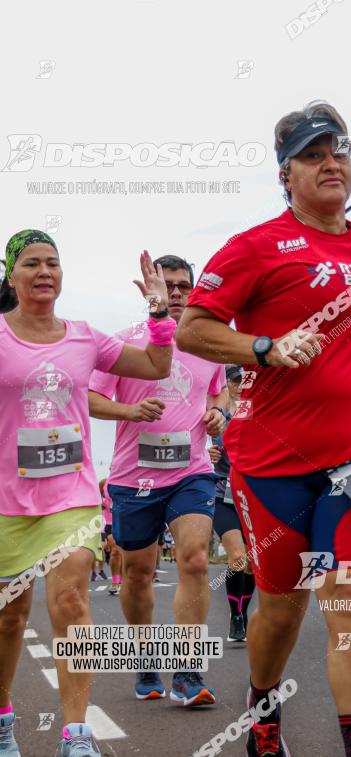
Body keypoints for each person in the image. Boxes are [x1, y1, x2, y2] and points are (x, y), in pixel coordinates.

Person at [176, 100, 351, 757]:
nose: (330, 164)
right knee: (281, 604)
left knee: (348, 606)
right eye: (313, 154)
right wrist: (262, 347)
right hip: (271, 461)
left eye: (339, 152)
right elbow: (196, 328)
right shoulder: (254, 246)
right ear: (285, 173)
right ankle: (262, 706)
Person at [0, 231, 172, 757]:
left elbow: (154, 367)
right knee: (9, 618)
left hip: (72, 495)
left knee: (72, 601)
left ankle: (77, 735)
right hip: (6, 499)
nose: (44, 271)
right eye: (32, 263)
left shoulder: (83, 338)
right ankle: (4, 721)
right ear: (12, 276)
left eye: (53, 262)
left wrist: (159, 314)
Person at [89, 254, 227, 706]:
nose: (176, 293)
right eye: (166, 284)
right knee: (138, 574)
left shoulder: (209, 344)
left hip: (192, 472)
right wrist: (128, 411)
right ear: (150, 289)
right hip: (134, 478)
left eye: (183, 285)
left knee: (194, 561)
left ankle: (188, 672)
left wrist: (218, 412)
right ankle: (146, 656)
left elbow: (219, 389)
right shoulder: (127, 342)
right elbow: (90, 396)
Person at [209, 365, 256, 643]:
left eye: (244, 380)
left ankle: (244, 610)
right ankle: (235, 615)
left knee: (251, 563)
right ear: (226, 384)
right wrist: (206, 452)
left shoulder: (258, 412)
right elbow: (193, 444)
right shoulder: (216, 414)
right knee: (237, 557)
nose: (241, 385)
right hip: (221, 492)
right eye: (236, 381)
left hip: (251, 495)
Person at [99, 479, 123, 596]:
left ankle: (123, 579)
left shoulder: (125, 480)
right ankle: (115, 581)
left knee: (124, 552)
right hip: (109, 523)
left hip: (125, 521)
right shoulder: (106, 482)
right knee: (115, 551)